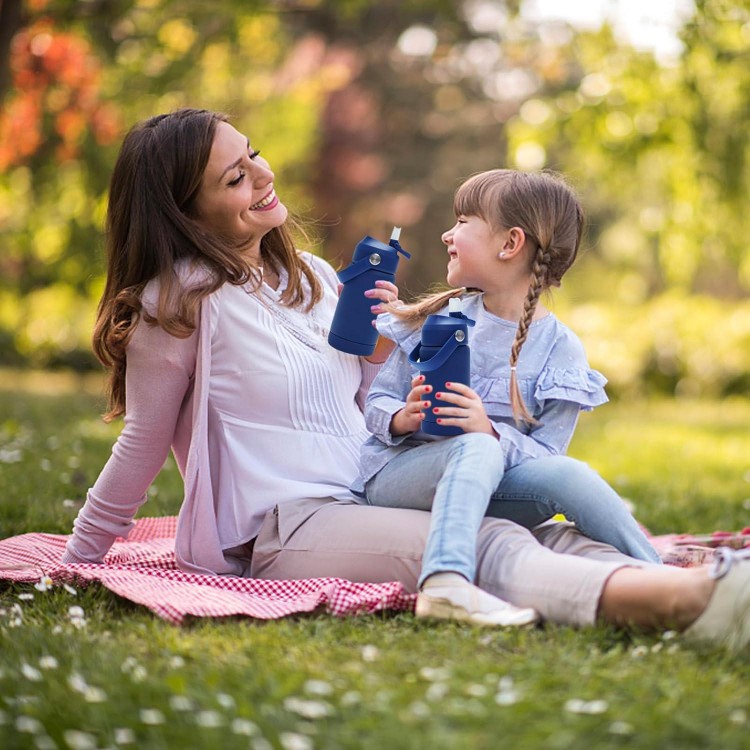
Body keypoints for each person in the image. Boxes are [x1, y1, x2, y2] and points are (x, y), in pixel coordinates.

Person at [62, 108, 750, 650]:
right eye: (234, 178)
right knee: (486, 544)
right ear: (185, 212)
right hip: (283, 526)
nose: (262, 176)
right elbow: (144, 438)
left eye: (254, 155)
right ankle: (679, 606)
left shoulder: (314, 279)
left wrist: (388, 389)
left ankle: (705, 591)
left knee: (545, 525)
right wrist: (78, 557)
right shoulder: (175, 305)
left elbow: (360, 407)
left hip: (366, 487)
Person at [353, 169, 660, 625]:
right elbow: (377, 403)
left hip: (492, 487)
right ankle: (446, 582)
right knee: (475, 448)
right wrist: (404, 417)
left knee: (570, 475)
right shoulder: (436, 319)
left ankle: (659, 574)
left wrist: (491, 432)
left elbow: (546, 458)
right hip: (399, 478)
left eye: (462, 221)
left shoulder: (560, 348)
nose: (447, 233)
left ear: (509, 243)